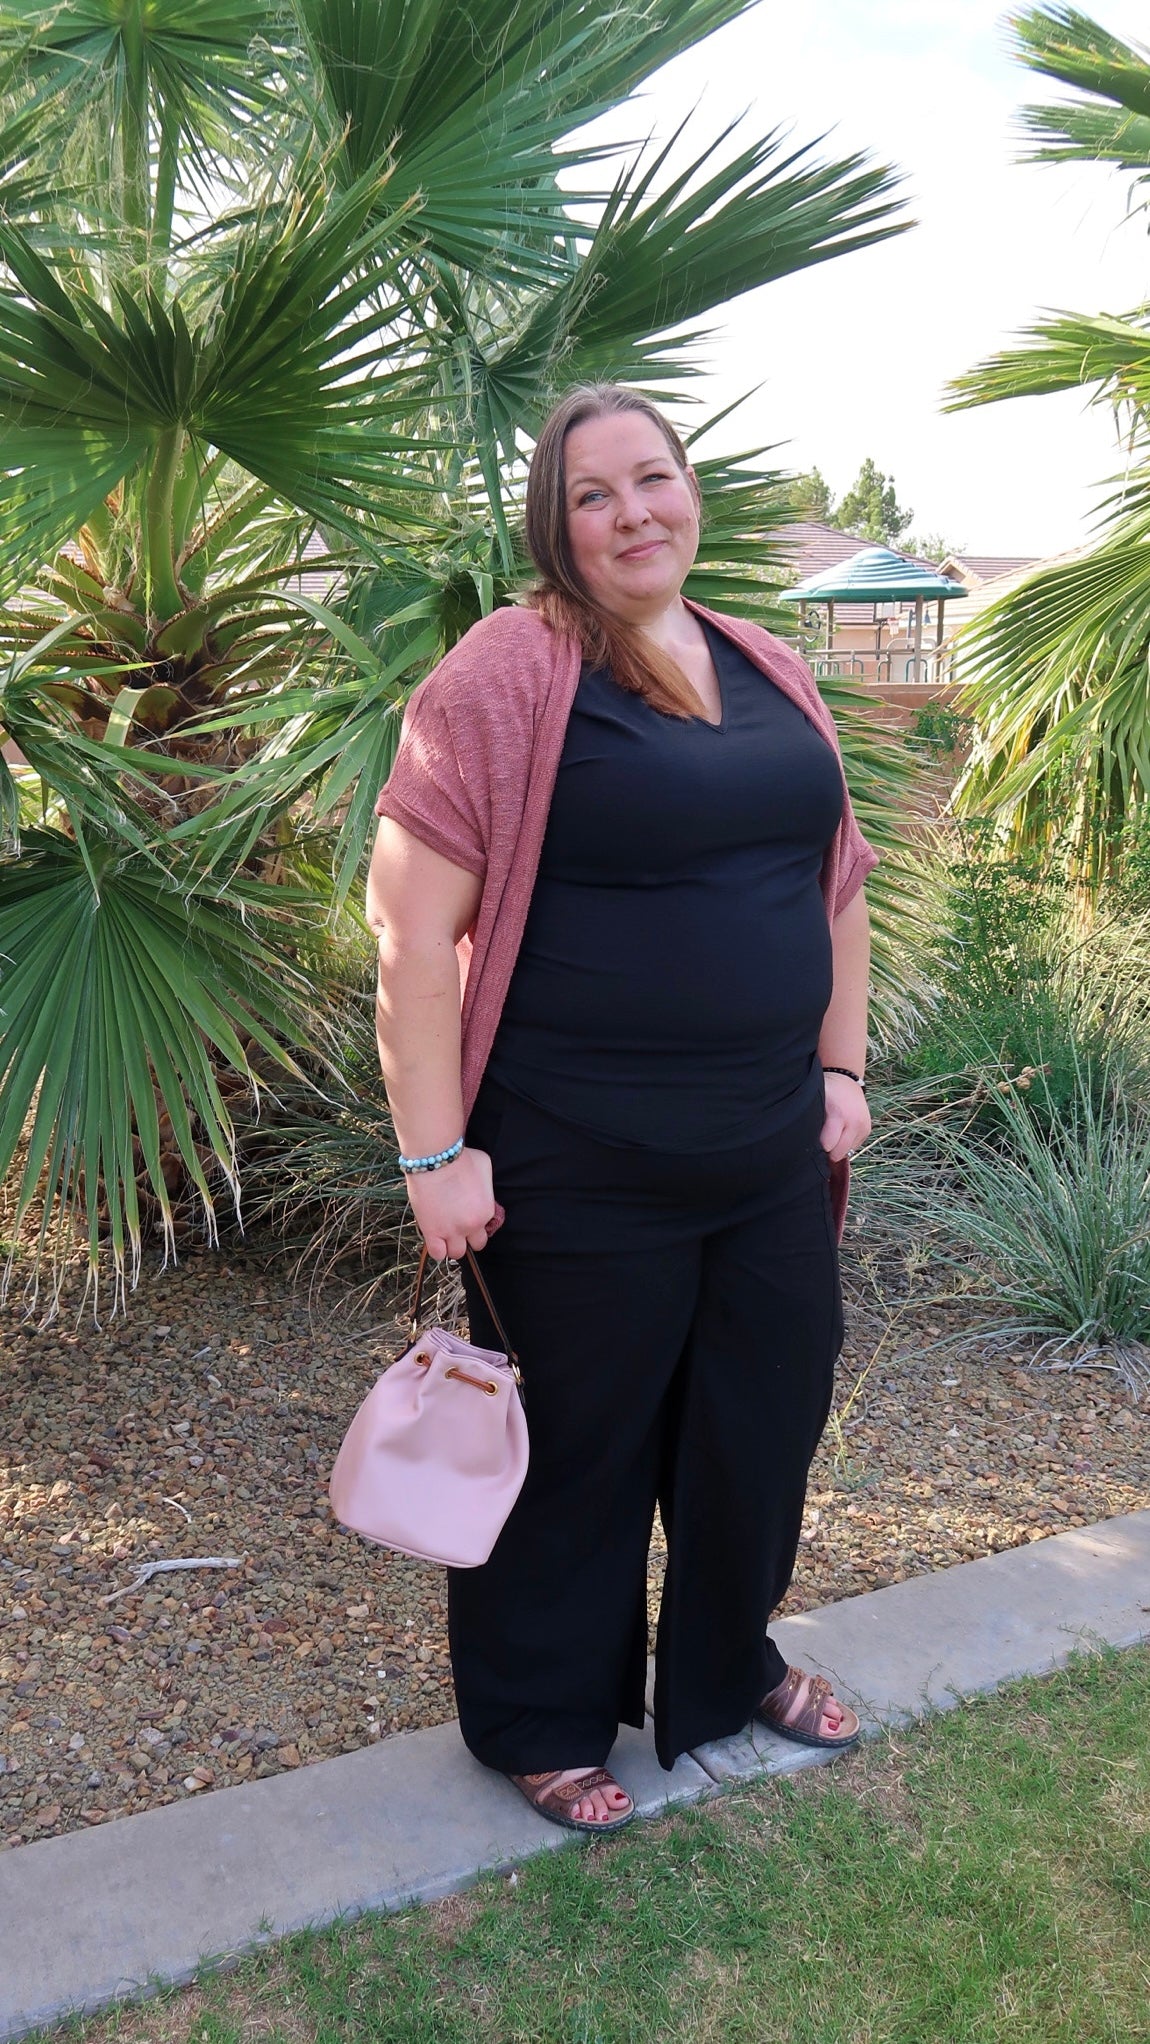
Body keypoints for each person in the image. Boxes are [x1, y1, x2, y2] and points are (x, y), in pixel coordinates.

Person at [366, 383, 875, 1835]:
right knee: (572, 1456)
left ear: (690, 493)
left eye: (651, 479)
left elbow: (834, 885)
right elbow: (406, 942)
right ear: (556, 523)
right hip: (572, 1158)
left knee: (759, 1425)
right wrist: (432, 1153)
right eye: (593, 494)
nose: (631, 511)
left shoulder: (765, 660)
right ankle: (538, 1716)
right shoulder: (504, 673)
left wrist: (838, 1072)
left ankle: (727, 1662)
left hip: (764, 1152)